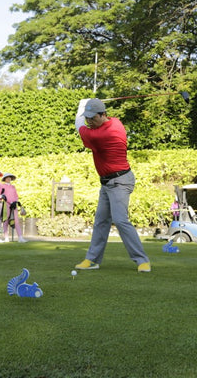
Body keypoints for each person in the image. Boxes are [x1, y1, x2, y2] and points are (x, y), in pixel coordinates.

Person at [73, 98, 151, 272]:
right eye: (87, 117)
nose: (89, 121)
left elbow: (78, 124)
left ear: (103, 115)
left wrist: (80, 107)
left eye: (92, 118)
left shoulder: (102, 134)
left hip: (120, 182)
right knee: (101, 221)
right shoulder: (116, 122)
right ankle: (92, 259)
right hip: (107, 183)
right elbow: (85, 122)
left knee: (120, 220)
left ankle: (142, 260)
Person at [0, 173, 27, 243]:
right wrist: (9, 202)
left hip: (14, 205)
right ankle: (6, 237)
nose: (9, 179)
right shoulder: (2, 186)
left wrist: (15, 202)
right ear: (5, 179)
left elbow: (16, 195)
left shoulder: (13, 187)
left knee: (16, 221)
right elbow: (2, 195)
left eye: (10, 178)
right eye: (7, 178)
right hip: (6, 205)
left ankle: (20, 237)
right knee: (5, 220)